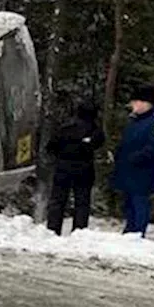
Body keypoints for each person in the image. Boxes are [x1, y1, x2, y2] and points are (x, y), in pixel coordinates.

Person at [111, 85, 154, 236]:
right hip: (128, 169)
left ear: (146, 103)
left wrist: (136, 158)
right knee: (129, 201)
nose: (132, 106)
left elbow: (153, 146)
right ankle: (130, 229)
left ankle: (138, 231)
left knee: (139, 201)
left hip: (143, 170)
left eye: (135, 102)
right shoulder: (135, 121)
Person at [44, 100, 105, 235]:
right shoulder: (94, 130)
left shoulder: (65, 127)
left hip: (63, 167)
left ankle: (53, 229)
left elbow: (51, 146)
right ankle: (79, 230)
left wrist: (59, 156)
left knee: (58, 200)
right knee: (82, 202)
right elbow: (99, 143)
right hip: (84, 169)